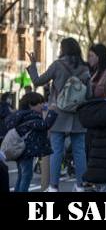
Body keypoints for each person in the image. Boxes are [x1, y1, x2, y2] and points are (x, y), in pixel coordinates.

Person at [27, 38, 91, 192]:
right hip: (78, 115)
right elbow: (89, 94)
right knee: (79, 151)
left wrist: (33, 64)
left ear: (63, 49)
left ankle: (54, 186)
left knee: (56, 150)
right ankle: (81, 185)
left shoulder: (58, 65)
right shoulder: (85, 68)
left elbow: (37, 81)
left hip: (58, 114)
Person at [4, 92, 54, 192]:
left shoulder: (19, 115)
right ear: (31, 105)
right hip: (26, 151)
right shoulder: (31, 116)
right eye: (40, 103)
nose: (42, 105)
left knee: (21, 175)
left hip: (18, 150)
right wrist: (51, 112)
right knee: (27, 176)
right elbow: (45, 125)